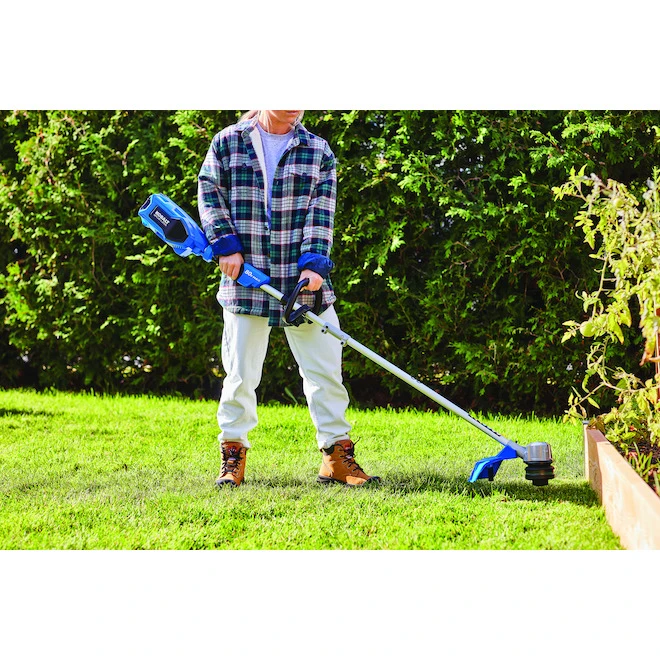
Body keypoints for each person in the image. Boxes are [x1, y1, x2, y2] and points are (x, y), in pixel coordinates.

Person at [197, 110, 379, 488]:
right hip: (246, 279)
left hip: (302, 284)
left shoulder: (317, 150)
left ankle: (336, 457)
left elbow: (321, 213)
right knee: (241, 375)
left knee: (325, 372)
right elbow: (210, 194)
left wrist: (314, 265)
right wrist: (225, 245)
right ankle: (233, 456)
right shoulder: (228, 142)